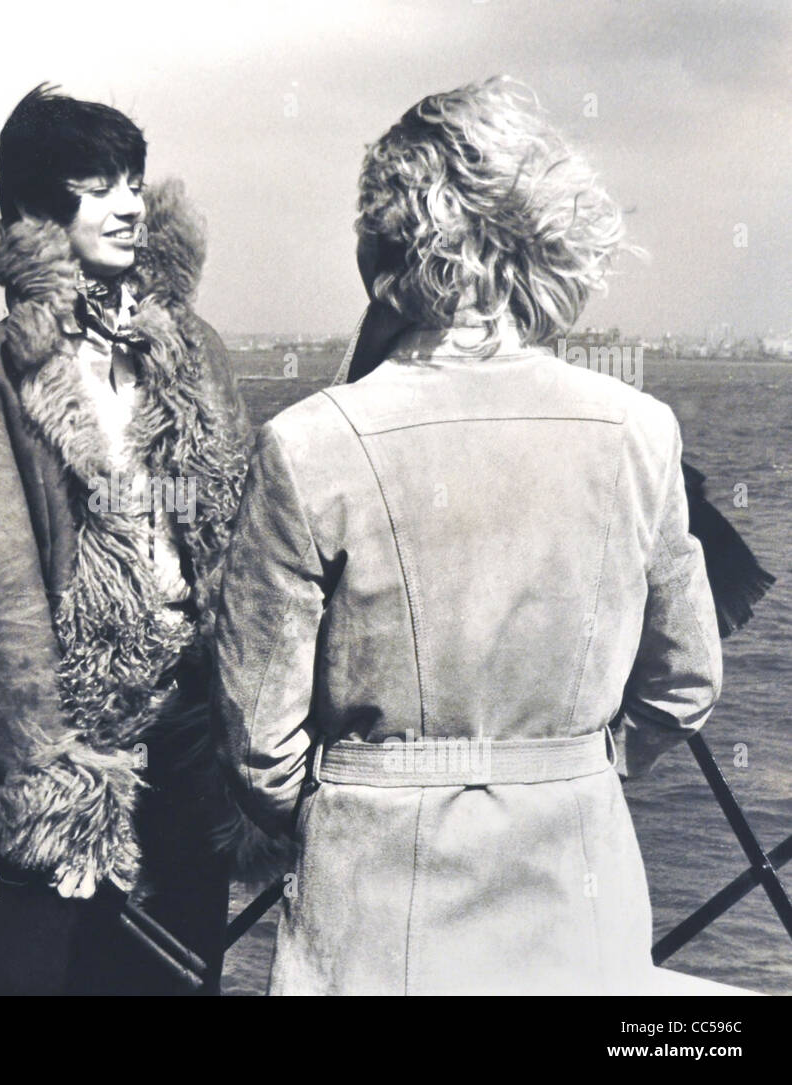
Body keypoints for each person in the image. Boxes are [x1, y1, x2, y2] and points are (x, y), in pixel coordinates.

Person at [214, 77, 725, 994]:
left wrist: (357, 802)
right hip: (577, 888)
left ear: (383, 247)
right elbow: (687, 680)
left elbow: (262, 742)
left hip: (373, 908)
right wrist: (577, 768)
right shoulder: (640, 432)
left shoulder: (307, 446)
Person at [0, 85, 275, 994]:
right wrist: (55, 786)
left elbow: (239, 547)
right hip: (51, 774)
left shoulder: (197, 352)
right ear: (38, 208)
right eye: (97, 184)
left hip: (184, 756)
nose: (127, 205)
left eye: (135, 182)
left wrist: (250, 737)